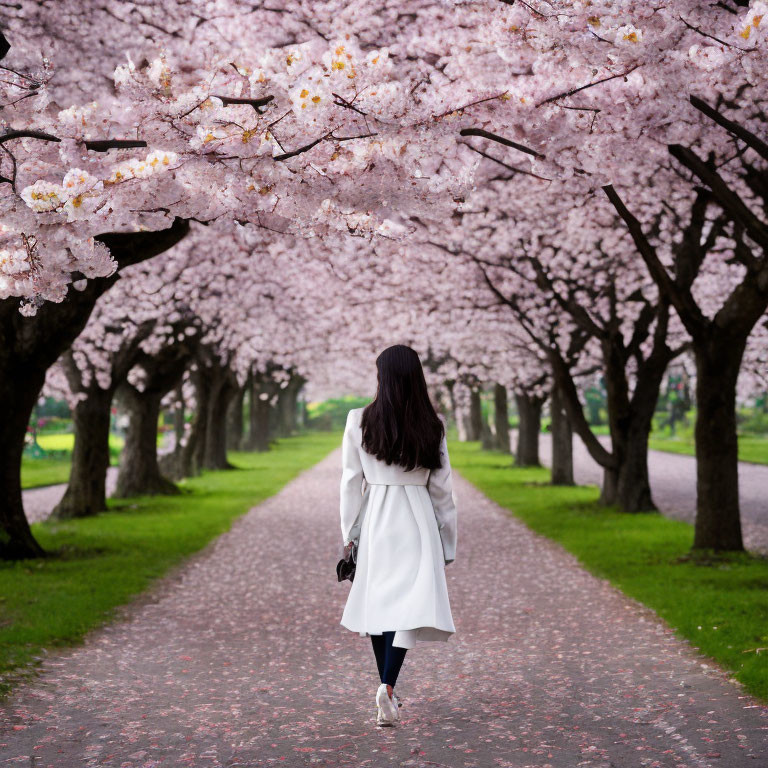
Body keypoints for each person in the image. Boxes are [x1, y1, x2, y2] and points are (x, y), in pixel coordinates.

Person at [338, 344, 458, 727]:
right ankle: (387, 686)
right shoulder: (432, 425)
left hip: (377, 518)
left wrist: (349, 533)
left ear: (381, 377)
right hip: (418, 517)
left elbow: (350, 482)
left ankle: (385, 686)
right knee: (408, 604)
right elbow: (443, 490)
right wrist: (448, 542)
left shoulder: (359, 420)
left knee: (379, 602)